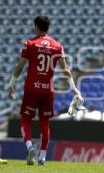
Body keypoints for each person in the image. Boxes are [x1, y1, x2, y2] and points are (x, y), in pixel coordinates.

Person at [7, 16, 82, 166]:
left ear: (36, 26)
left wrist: (12, 83)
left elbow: (20, 66)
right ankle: (42, 156)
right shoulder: (57, 46)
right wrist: (74, 89)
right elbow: (66, 70)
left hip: (31, 88)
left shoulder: (30, 43)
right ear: (48, 27)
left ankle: (29, 148)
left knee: (26, 119)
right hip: (48, 90)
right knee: (44, 123)